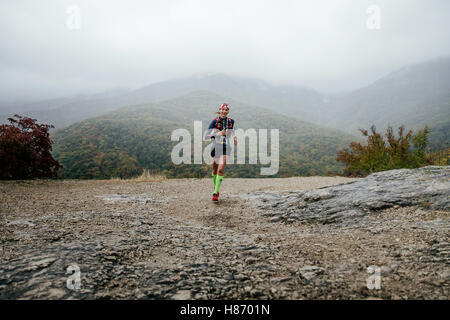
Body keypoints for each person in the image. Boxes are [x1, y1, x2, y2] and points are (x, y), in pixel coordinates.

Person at [204, 103, 237, 202]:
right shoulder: (214, 121)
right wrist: (218, 133)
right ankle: (216, 188)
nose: (224, 111)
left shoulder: (231, 121)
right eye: (222, 110)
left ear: (228, 111)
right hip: (215, 146)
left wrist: (234, 137)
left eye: (226, 110)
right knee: (214, 169)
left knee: (220, 169)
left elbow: (231, 130)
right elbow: (206, 136)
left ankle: (215, 193)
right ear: (220, 110)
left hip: (226, 146)